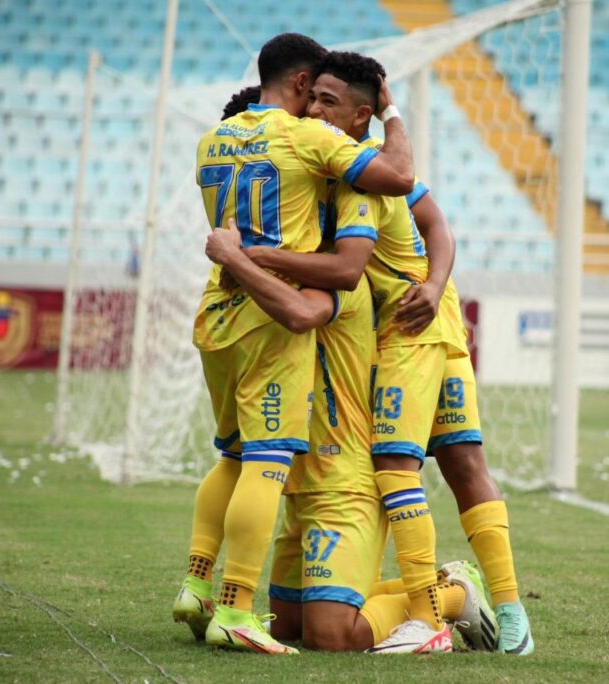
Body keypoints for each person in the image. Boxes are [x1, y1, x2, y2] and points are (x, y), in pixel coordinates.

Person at [243, 51, 530, 654]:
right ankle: (453, 594)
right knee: (454, 463)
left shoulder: (364, 177)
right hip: (417, 326)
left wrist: (432, 286)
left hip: (419, 329)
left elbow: (419, 227)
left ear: (360, 116)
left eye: (326, 101)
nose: (312, 109)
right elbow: (429, 217)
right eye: (310, 97)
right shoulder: (333, 169)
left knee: (432, 465)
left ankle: (453, 613)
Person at [173, 33, 416, 655]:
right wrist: (389, 111)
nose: (318, 110)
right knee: (265, 458)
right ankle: (235, 608)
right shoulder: (306, 139)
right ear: (305, 83)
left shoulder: (212, 138)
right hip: (273, 315)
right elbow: (399, 174)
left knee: (229, 455)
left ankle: (197, 585)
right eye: (319, 95)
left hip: (218, 308)